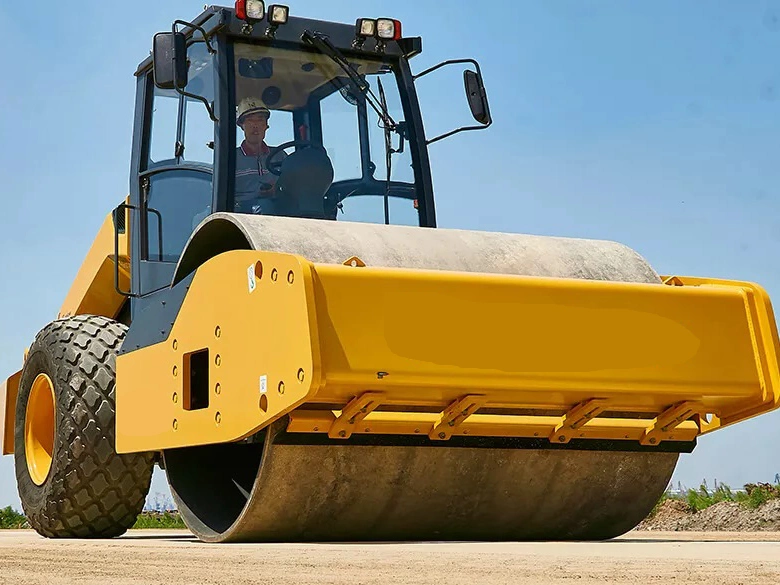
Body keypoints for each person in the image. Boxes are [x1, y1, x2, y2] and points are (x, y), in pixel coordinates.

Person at [234, 97, 285, 214]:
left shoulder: (280, 155)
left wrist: (276, 189)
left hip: (277, 205)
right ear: (242, 126)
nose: (255, 125)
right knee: (264, 206)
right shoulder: (232, 158)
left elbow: (292, 183)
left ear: (266, 125)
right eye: (250, 120)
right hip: (242, 212)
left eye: (260, 120)